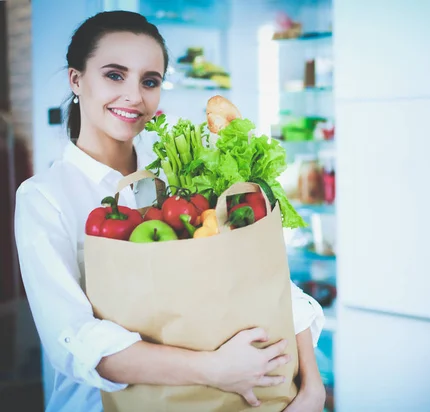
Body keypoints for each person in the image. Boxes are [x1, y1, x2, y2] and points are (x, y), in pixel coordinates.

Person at [13, 11, 326, 412]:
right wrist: (214, 369)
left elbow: (266, 276)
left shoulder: (180, 173)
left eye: (149, 81)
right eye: (114, 75)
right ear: (76, 80)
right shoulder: (45, 197)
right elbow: (74, 341)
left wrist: (312, 388)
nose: (134, 96)